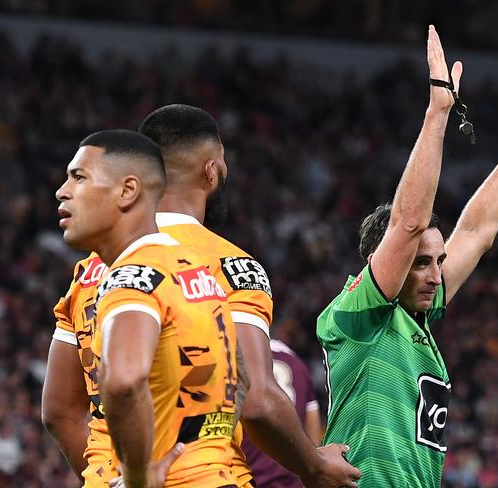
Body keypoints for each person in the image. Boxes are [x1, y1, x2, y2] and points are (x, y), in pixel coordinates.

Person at [43, 105, 361, 487]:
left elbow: (59, 412)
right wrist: (314, 465)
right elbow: (257, 399)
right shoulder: (231, 266)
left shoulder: (90, 271)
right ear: (211, 171)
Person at [316, 24, 498, 487]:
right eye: (420, 262)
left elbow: (477, 231)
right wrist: (438, 113)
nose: (437, 274)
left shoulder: (418, 324)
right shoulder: (358, 316)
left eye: (437, 261)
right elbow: (408, 223)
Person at [53, 129, 243, 487]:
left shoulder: (131, 276)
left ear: (127, 191)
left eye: (78, 177)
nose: (63, 191)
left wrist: (137, 478)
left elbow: (124, 382)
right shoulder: (194, 271)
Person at [241, 339, 323, 487]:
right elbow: (314, 432)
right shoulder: (298, 364)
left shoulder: (237, 360)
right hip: (294, 482)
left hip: (250, 479)